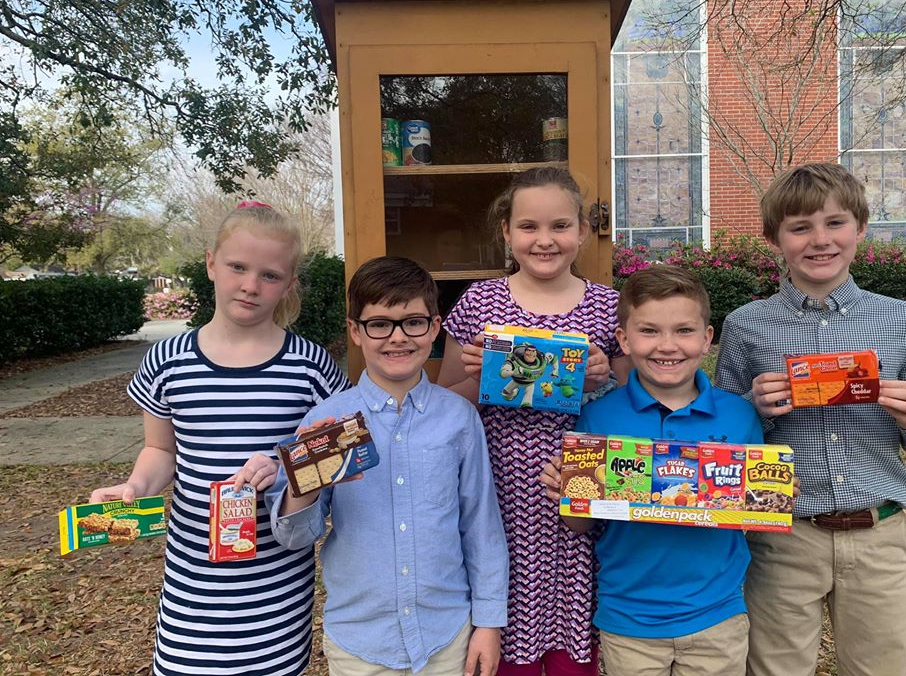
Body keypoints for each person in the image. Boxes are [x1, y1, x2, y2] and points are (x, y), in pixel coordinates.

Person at [89, 201, 350, 676]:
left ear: (289, 285)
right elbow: (160, 450)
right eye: (238, 267)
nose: (251, 285)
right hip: (192, 579)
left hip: (276, 584)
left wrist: (283, 467)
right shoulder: (166, 361)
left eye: (270, 275)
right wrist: (135, 489)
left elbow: (338, 453)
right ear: (211, 263)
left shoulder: (310, 368)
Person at [714, 163, 906, 676]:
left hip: (879, 534)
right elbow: (721, 444)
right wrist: (752, 412)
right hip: (783, 534)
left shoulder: (904, 320)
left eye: (835, 223)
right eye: (800, 227)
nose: (819, 240)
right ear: (774, 237)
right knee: (776, 669)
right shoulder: (746, 326)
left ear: (860, 227)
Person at [267, 256, 509, 676]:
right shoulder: (325, 422)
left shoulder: (459, 418)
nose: (397, 338)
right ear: (355, 331)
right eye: (379, 324)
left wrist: (489, 622)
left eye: (412, 322)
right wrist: (303, 483)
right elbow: (296, 537)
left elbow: (481, 525)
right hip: (360, 643)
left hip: (447, 635)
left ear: (434, 328)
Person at [438, 167, 630, 676]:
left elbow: (635, 403)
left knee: (574, 646)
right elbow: (443, 405)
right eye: (528, 227)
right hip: (496, 493)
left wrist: (603, 376)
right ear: (506, 232)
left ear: (584, 231)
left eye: (560, 226)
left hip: (583, 495)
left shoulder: (609, 307)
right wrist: (483, 382)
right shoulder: (479, 301)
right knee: (504, 637)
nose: (544, 240)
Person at [541, 264, 763, 676]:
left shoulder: (739, 415)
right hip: (629, 618)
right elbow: (580, 525)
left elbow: (751, 515)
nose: (667, 346)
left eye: (683, 330)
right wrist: (566, 495)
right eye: (649, 331)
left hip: (717, 614)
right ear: (623, 340)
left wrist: (770, 492)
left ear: (706, 338)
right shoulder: (597, 416)